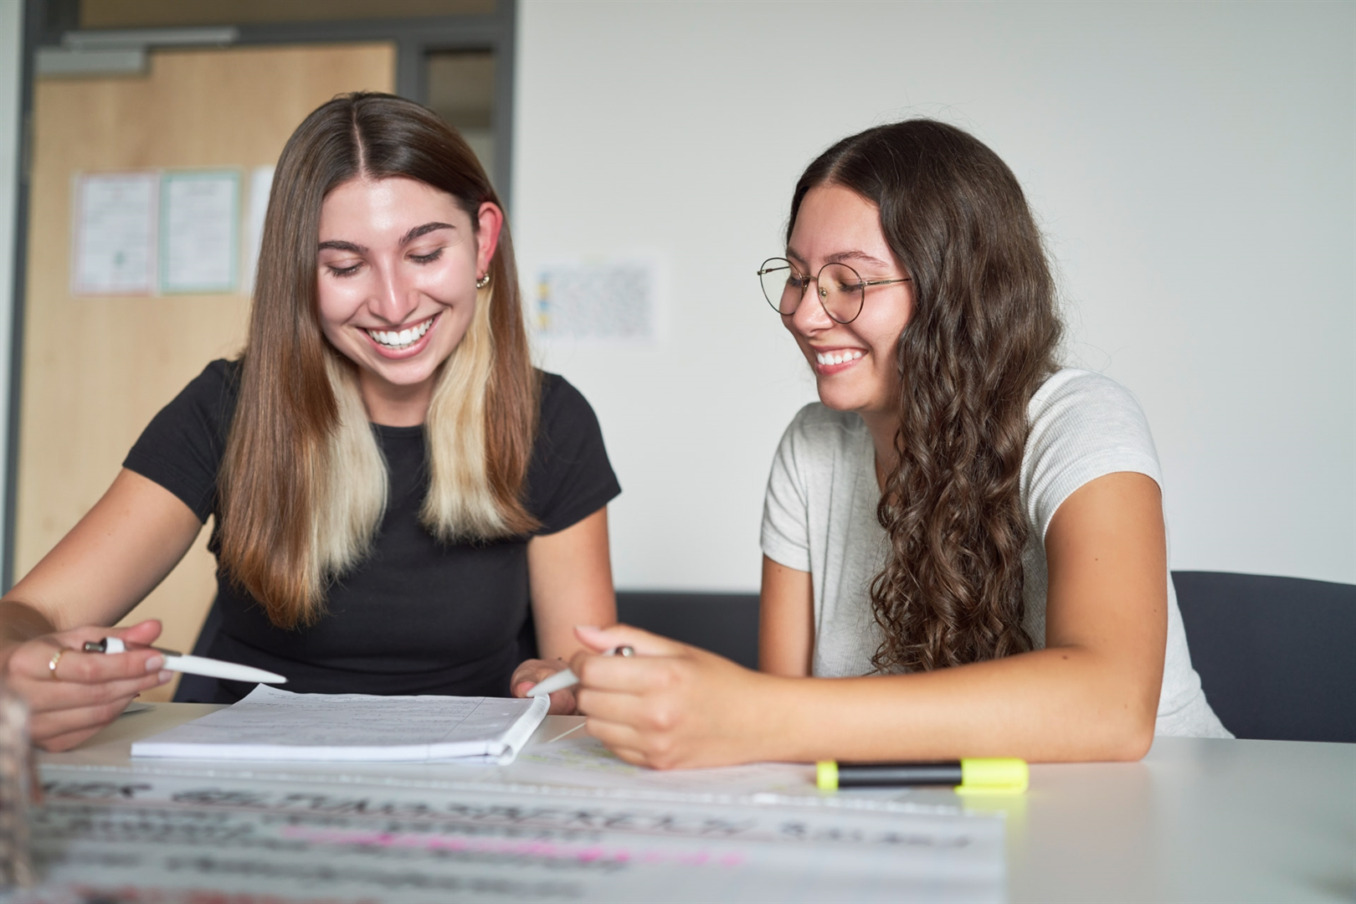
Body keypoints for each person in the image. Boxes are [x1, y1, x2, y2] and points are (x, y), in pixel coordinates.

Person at [567, 120, 1229, 769]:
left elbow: (1110, 709)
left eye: (847, 283)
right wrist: (633, 697)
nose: (803, 312)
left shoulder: (1082, 420)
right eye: (798, 275)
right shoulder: (812, 448)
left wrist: (753, 712)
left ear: (955, 292)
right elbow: (782, 733)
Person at [0, 92, 619, 752]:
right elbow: (32, 614)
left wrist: (577, 685)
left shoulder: (552, 420)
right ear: (300, 274)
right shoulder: (227, 409)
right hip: (250, 791)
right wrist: (19, 667)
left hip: (470, 786)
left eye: (424, 254)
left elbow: (578, 676)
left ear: (483, 240)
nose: (392, 302)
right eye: (345, 266)